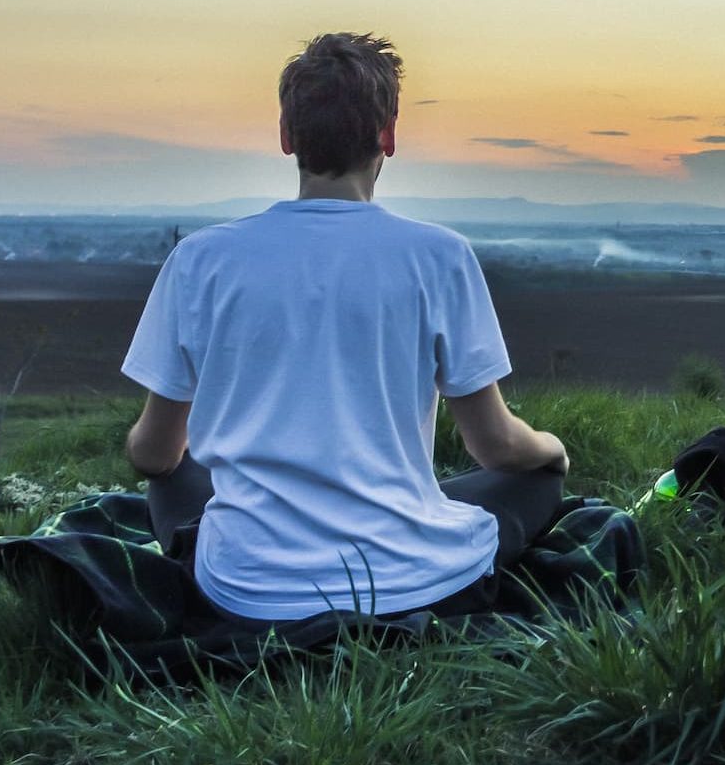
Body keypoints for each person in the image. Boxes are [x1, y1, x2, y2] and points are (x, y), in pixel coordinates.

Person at [120, 32, 568, 624]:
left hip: (246, 590)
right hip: (412, 582)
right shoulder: (439, 256)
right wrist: (552, 451)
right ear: (388, 135)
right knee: (534, 482)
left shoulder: (201, 259)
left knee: (176, 473)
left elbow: (152, 455)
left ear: (286, 137)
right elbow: (497, 448)